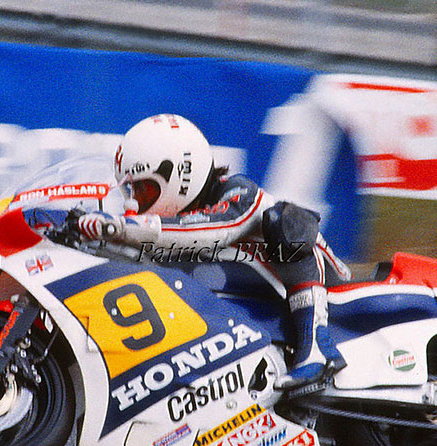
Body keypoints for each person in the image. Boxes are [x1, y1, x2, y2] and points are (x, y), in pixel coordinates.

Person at [77, 114, 351, 391]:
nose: (136, 203)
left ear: (180, 175)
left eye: (144, 190)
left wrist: (120, 227)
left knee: (284, 221)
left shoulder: (239, 192)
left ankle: (317, 348)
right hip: (257, 311)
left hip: (333, 289)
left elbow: (207, 230)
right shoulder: (179, 225)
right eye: (131, 192)